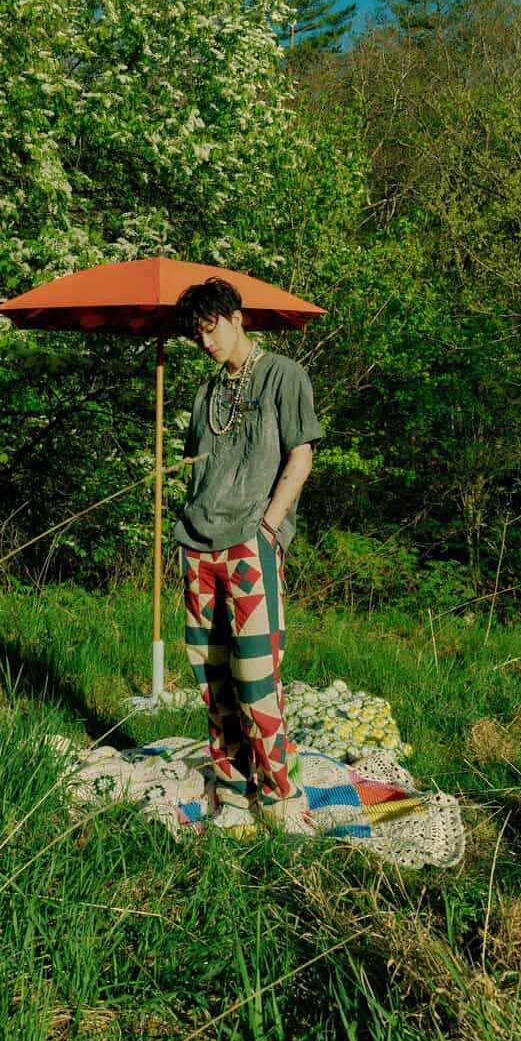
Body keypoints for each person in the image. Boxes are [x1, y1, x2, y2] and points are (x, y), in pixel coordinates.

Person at [173, 277, 322, 830]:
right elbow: (198, 468)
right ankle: (234, 790)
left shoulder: (283, 374)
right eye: (196, 335)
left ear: (237, 318)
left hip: (249, 544)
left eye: (211, 329)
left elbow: (301, 455)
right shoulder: (205, 394)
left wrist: (270, 525)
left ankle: (282, 796)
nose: (205, 342)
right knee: (212, 680)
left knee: (256, 677)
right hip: (197, 547)